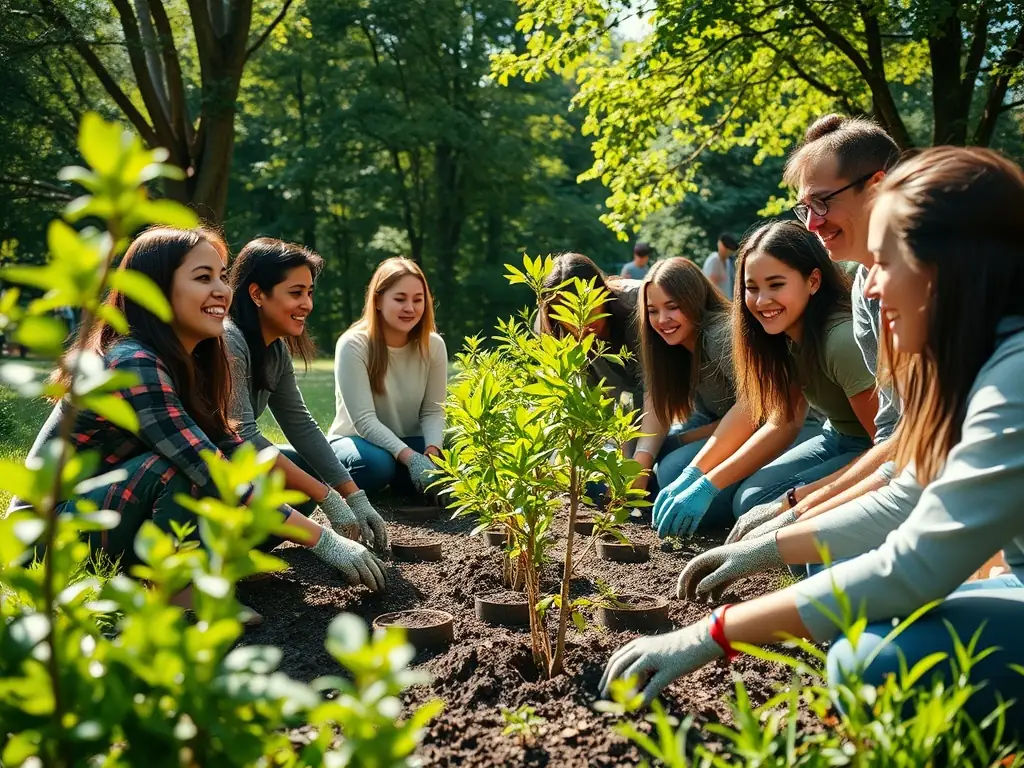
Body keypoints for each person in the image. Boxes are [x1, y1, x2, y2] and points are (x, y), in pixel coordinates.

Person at [602, 147, 1024, 734]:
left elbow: (917, 563)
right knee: (865, 640)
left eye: (883, 262)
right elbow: (903, 493)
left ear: (949, 265)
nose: (870, 289)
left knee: (872, 663)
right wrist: (768, 548)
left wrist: (715, 631)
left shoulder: (1015, 378)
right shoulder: (977, 365)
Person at [8, 227, 385, 597]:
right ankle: (180, 598)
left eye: (223, 276)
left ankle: (206, 565)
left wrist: (339, 498)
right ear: (155, 289)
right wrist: (325, 541)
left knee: (251, 473)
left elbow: (233, 444)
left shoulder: (186, 358)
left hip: (108, 515)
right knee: (182, 469)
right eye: (203, 277)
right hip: (45, 541)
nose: (222, 289)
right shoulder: (132, 362)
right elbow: (209, 466)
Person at [730, 114, 910, 545]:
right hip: (903, 462)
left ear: (879, 185)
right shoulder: (864, 285)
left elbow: (916, 443)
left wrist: (804, 504)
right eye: (805, 208)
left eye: (823, 203)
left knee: (817, 549)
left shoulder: (941, 277)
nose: (811, 224)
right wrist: (804, 505)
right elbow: (894, 431)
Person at [654, 221, 877, 537]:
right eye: (752, 287)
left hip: (869, 449)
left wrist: (795, 499)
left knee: (758, 507)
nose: (761, 301)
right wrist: (701, 480)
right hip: (834, 436)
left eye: (776, 285)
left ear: (813, 281)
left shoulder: (839, 341)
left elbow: (889, 447)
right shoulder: (782, 336)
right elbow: (781, 420)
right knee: (744, 501)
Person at [225, 237, 387, 549]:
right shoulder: (229, 340)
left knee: (303, 469)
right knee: (303, 482)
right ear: (257, 294)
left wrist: (354, 495)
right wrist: (327, 497)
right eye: (296, 293)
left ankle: (244, 548)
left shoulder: (276, 349)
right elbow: (242, 437)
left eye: (310, 293)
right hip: (207, 473)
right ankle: (224, 557)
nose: (307, 305)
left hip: (237, 471)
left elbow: (300, 425)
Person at [328, 257, 447, 496]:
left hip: (412, 441)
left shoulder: (434, 345)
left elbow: (433, 411)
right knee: (377, 465)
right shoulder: (353, 344)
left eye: (418, 300)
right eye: (400, 299)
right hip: (358, 442)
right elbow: (364, 421)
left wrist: (432, 454)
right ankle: (395, 476)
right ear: (378, 300)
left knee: (464, 451)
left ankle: (406, 480)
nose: (410, 308)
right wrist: (411, 459)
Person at [633, 258, 736, 511]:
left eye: (672, 306)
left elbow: (757, 414)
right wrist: (641, 463)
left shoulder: (721, 335)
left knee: (671, 469)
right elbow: (659, 403)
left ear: (693, 299)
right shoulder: (667, 347)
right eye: (653, 311)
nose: (662, 320)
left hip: (757, 429)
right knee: (653, 456)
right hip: (712, 421)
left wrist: (683, 440)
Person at [538, 252, 643, 409]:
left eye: (588, 305)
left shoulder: (641, 303)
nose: (582, 320)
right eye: (567, 312)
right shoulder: (551, 334)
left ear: (602, 292)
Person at [702, 233, 738, 299]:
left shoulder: (728, 262)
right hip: (715, 303)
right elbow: (711, 285)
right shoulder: (713, 260)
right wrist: (725, 299)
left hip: (726, 302)